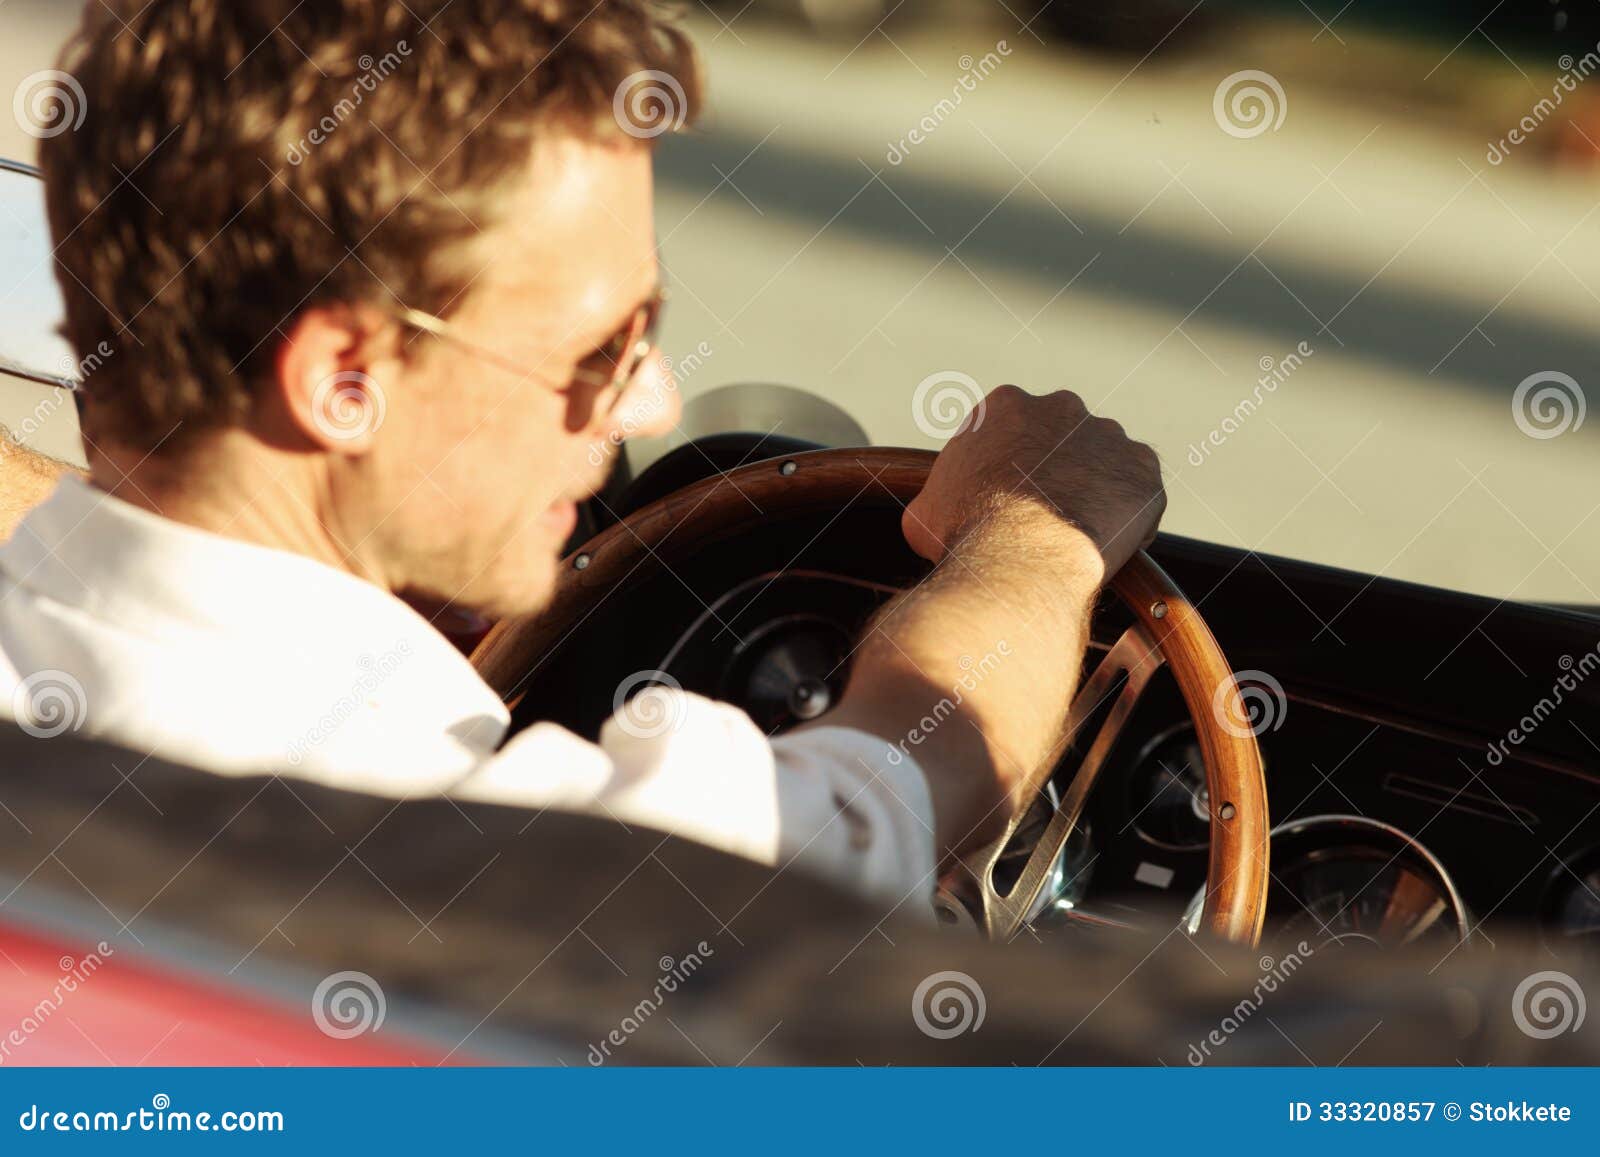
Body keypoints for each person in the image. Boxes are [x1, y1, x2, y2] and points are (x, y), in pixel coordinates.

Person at [0, 0, 1163, 914]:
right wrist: (1035, 535)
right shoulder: (470, 874)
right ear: (341, 380)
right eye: (601, 349)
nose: (652, 398)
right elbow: (899, 788)